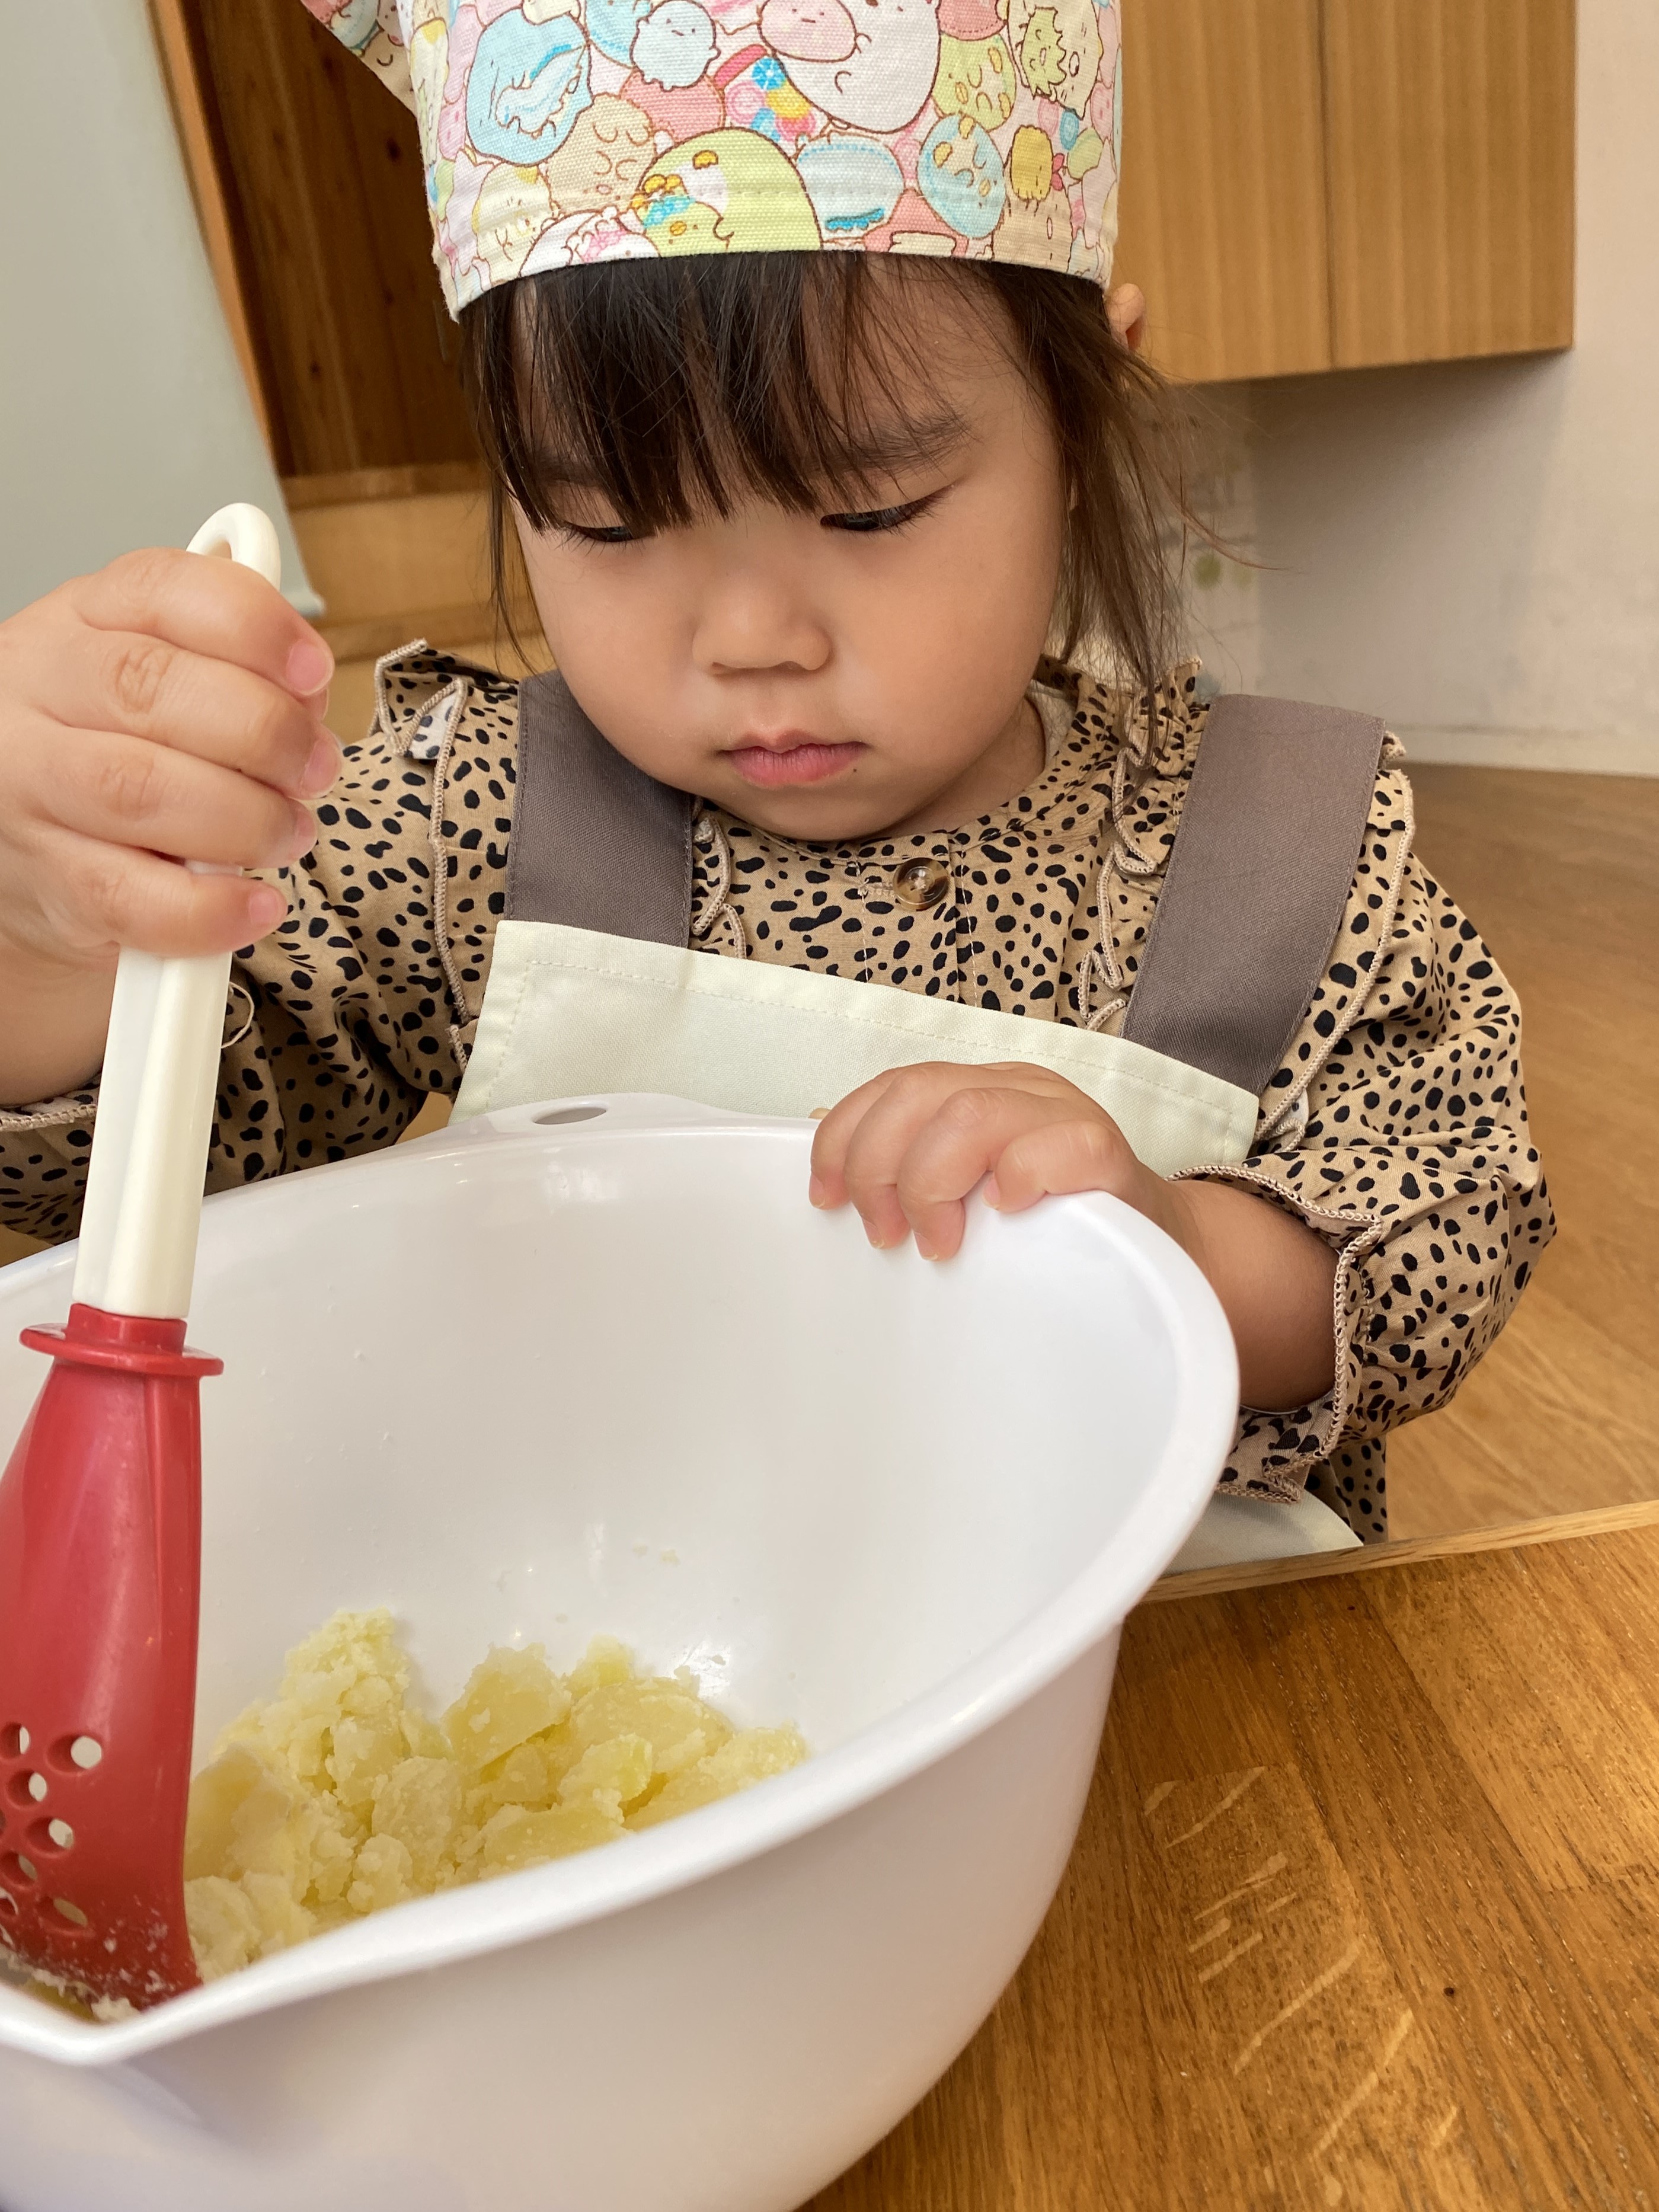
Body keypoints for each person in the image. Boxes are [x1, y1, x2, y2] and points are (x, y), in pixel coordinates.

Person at [0, 0, 1551, 1547]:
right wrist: (52, 927)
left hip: (1178, 1672)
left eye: (870, 511)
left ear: (1085, 422)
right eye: (607, 525)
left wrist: (1173, 1241)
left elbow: (1447, 1208)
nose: (750, 639)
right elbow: (165, 1165)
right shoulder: (470, 816)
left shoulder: (1272, 850)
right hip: (616, 1653)